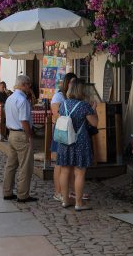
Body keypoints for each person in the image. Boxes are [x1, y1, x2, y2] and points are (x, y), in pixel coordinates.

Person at [56, 78, 97, 211]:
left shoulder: (63, 104)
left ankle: (65, 200)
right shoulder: (84, 106)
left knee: (64, 171)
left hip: (65, 141)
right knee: (79, 173)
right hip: (80, 142)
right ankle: (78, 203)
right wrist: (94, 109)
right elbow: (94, 123)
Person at [2, 74, 37, 203]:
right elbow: (24, 121)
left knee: (11, 165)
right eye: (29, 85)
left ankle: (7, 191)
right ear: (23, 85)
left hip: (11, 133)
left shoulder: (10, 98)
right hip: (21, 134)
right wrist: (30, 135)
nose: (30, 87)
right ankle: (23, 194)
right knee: (25, 166)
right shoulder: (22, 100)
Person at [50, 72, 76, 201]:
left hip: (70, 131)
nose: (73, 84)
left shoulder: (70, 96)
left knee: (68, 163)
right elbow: (56, 115)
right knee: (59, 163)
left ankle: (68, 191)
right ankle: (58, 192)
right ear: (66, 83)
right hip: (61, 130)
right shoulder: (58, 96)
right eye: (72, 82)